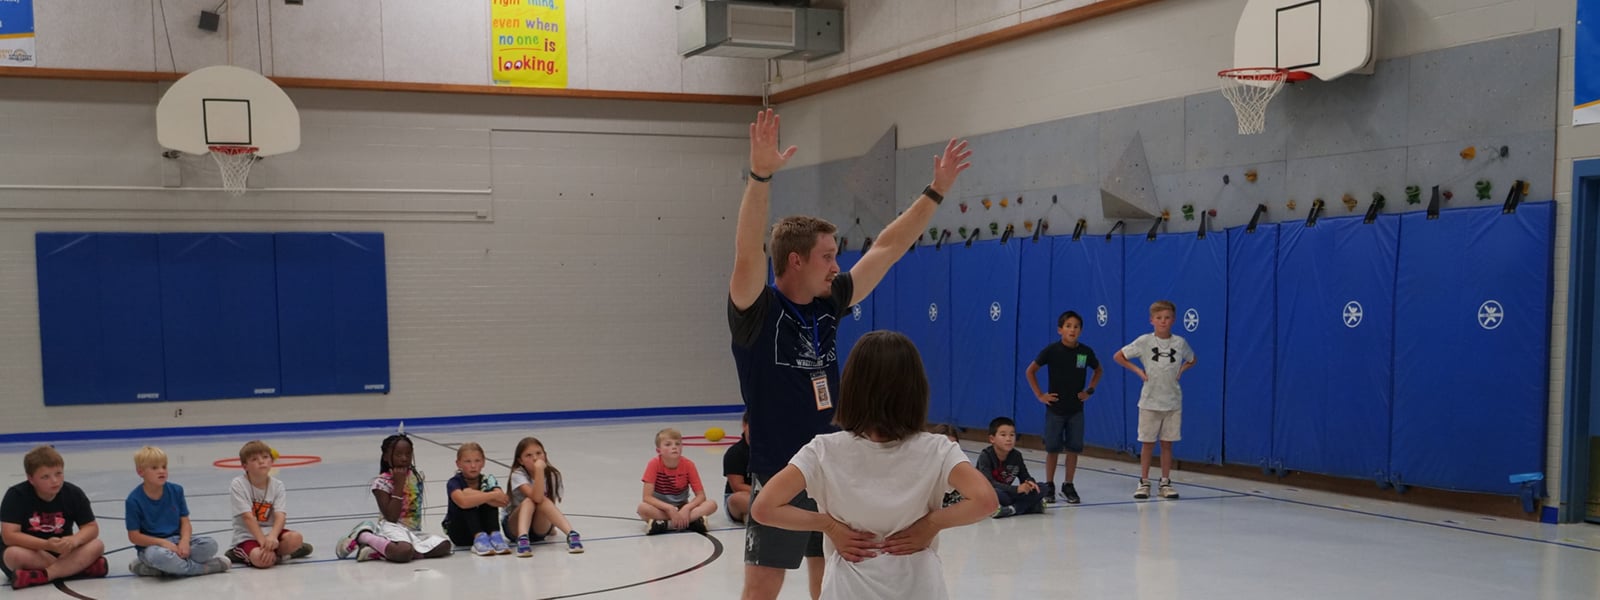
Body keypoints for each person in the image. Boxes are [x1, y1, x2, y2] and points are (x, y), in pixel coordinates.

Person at [729, 107, 972, 600]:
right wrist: (760, 176)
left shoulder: (829, 302)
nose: (837, 266)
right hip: (781, 468)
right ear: (795, 261)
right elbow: (746, 253)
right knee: (761, 591)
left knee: (832, 587)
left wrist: (936, 191)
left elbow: (887, 247)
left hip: (838, 470)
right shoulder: (757, 309)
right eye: (827, 256)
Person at [749, 331, 997, 600]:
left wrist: (829, 525)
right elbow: (985, 501)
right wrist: (931, 524)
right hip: (918, 587)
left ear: (852, 388)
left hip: (848, 589)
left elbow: (764, 508)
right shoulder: (936, 448)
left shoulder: (824, 450)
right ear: (916, 391)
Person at [1113, 299, 1196, 500]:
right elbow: (1119, 356)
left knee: (1167, 443)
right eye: (1159, 318)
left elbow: (1192, 359)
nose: (1163, 321)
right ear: (1152, 320)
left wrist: (1181, 371)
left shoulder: (1180, 343)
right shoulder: (1144, 342)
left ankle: (1165, 481)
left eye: (1167, 318)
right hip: (1150, 401)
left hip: (1172, 402)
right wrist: (1138, 371)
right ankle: (1144, 481)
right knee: (1148, 442)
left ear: (1173, 320)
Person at [0, 445, 107, 590]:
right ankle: (76, 569)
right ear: (31, 479)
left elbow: (91, 527)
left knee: (97, 545)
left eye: (58, 473)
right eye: (45, 477)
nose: (55, 481)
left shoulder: (73, 493)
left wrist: (74, 540)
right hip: (32, 553)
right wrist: (46, 545)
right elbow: (9, 536)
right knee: (12, 555)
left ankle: (45, 575)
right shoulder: (16, 495)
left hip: (63, 553)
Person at [1024, 310, 1103, 504]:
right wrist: (1040, 395)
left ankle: (1068, 484)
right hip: (1055, 408)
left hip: (1076, 409)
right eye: (1068, 326)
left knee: (1073, 448)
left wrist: (1089, 390)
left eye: (1076, 327)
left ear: (1081, 331)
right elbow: (1030, 371)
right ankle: (1049, 484)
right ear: (1060, 330)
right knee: (1052, 448)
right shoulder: (1051, 351)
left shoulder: (1084, 352)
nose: (1072, 330)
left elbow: (1098, 370)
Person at [336, 434, 452, 562]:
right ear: (386, 456)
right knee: (404, 551)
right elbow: (391, 517)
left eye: (408, 454)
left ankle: (378, 551)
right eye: (398, 455)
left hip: (412, 531)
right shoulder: (381, 482)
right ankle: (363, 535)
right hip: (390, 527)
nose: (404, 458)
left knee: (444, 545)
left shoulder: (415, 477)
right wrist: (399, 485)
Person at [124, 446, 228, 577]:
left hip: (178, 541)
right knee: (160, 556)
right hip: (153, 547)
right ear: (140, 472)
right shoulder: (133, 500)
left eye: (164, 466)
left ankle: (157, 569)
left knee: (210, 545)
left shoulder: (176, 490)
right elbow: (134, 536)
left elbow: (185, 522)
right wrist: (162, 543)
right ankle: (205, 568)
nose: (161, 471)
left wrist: (184, 541)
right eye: (155, 468)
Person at [227, 440, 309, 568]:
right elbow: (247, 517)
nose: (261, 461)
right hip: (248, 536)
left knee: (296, 538)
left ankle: (277, 554)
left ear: (271, 461)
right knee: (260, 560)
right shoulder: (238, 484)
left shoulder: (277, 485)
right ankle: (238, 553)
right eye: (254, 459)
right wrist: (263, 542)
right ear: (245, 466)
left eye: (265, 457)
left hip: (271, 534)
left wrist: (273, 537)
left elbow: (280, 515)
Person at [503, 437, 582, 555]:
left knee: (544, 501)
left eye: (539, 453)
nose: (535, 458)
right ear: (520, 460)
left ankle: (571, 534)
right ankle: (522, 539)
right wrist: (539, 470)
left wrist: (551, 527)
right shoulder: (518, 474)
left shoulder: (553, 475)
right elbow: (536, 498)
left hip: (538, 528)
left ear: (545, 455)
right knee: (530, 501)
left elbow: (550, 504)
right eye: (528, 455)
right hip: (515, 526)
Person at [636, 428, 718, 535]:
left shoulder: (689, 465)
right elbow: (647, 497)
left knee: (712, 504)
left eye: (677, 444)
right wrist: (669, 508)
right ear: (658, 450)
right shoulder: (654, 464)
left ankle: (666, 525)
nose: (674, 447)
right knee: (642, 508)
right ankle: (689, 522)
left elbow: (701, 496)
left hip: (682, 507)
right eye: (668, 444)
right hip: (661, 508)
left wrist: (687, 508)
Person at [442, 442, 511, 555]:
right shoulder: (454, 482)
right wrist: (490, 495)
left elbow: (503, 501)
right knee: (471, 500)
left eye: (477, 461)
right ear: (458, 464)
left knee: (477, 496)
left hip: (486, 530)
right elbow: (463, 502)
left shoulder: (488, 479)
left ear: (483, 462)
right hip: (461, 533)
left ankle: (495, 536)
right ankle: (478, 537)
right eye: (467, 461)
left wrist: (478, 495)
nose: (473, 466)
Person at [976, 417, 1045, 518]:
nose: (1008, 439)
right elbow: (989, 483)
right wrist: (1016, 489)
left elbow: (1024, 476)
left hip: (1009, 492)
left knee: (1042, 487)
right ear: (992, 439)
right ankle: (1029, 506)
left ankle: (1011, 509)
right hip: (991, 492)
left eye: (1012, 435)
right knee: (998, 494)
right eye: (1003, 435)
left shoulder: (1016, 456)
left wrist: (1030, 482)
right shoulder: (986, 456)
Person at [928, 424, 965, 508]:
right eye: (944, 446)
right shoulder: (923, 471)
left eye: (953, 447)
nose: (948, 451)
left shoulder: (959, 472)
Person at [724, 413, 752, 523]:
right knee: (738, 499)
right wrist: (764, 493)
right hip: (742, 497)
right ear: (745, 425)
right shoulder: (735, 453)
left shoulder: (771, 451)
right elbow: (737, 486)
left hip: (768, 495)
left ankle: (753, 516)